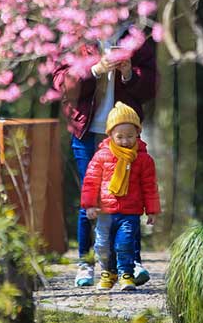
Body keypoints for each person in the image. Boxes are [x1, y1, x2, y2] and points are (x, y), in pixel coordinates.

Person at [52, 22, 157, 287]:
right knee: (90, 199)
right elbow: (62, 84)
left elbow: (152, 86)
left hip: (124, 133)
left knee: (129, 197)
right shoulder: (74, 31)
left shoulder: (136, 34)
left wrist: (129, 75)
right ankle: (86, 263)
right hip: (88, 132)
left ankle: (131, 262)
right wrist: (94, 70)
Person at [80, 102, 161, 291]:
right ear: (110, 135)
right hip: (105, 212)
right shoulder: (101, 156)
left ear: (138, 134)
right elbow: (91, 182)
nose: (125, 141)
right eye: (120, 137)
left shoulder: (143, 159)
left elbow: (149, 186)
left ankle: (126, 274)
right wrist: (90, 205)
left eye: (130, 136)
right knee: (102, 245)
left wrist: (152, 210)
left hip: (130, 212)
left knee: (125, 244)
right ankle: (108, 273)